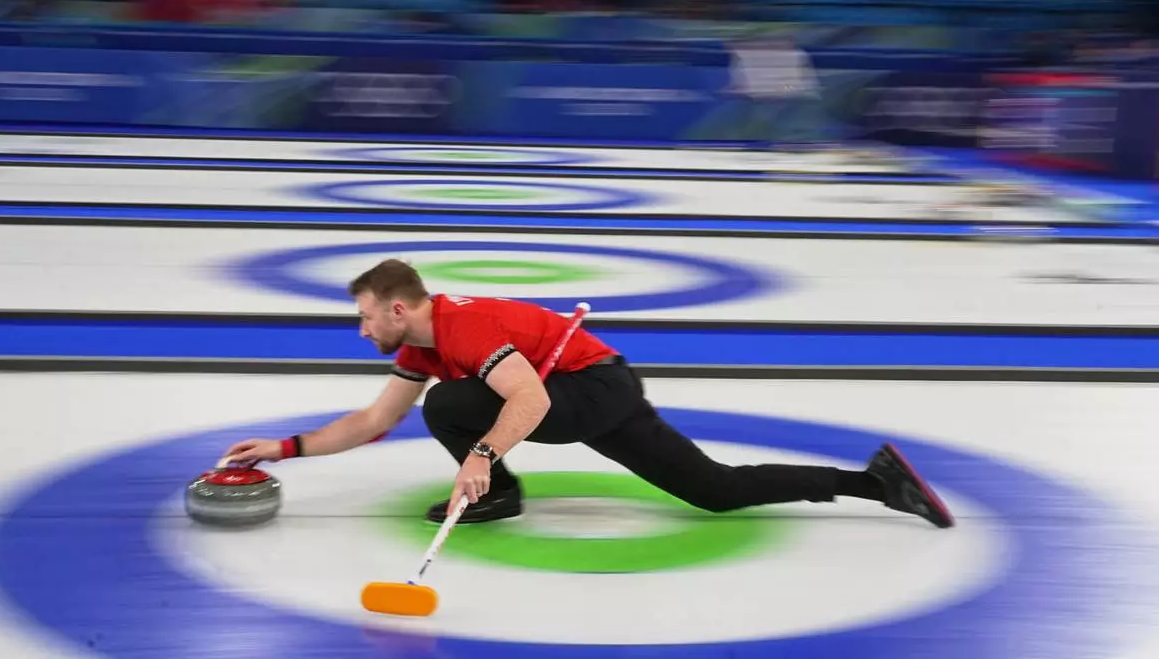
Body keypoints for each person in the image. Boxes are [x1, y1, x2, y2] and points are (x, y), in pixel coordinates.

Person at [223, 259, 954, 528]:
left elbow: (531, 405)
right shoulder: (421, 342)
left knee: (452, 406)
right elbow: (377, 419)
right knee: (715, 491)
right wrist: (285, 449)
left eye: (365, 317)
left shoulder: (465, 328)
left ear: (399, 307)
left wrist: (479, 458)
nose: (360, 332)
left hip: (589, 387)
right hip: (581, 386)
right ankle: (875, 481)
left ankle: (498, 491)